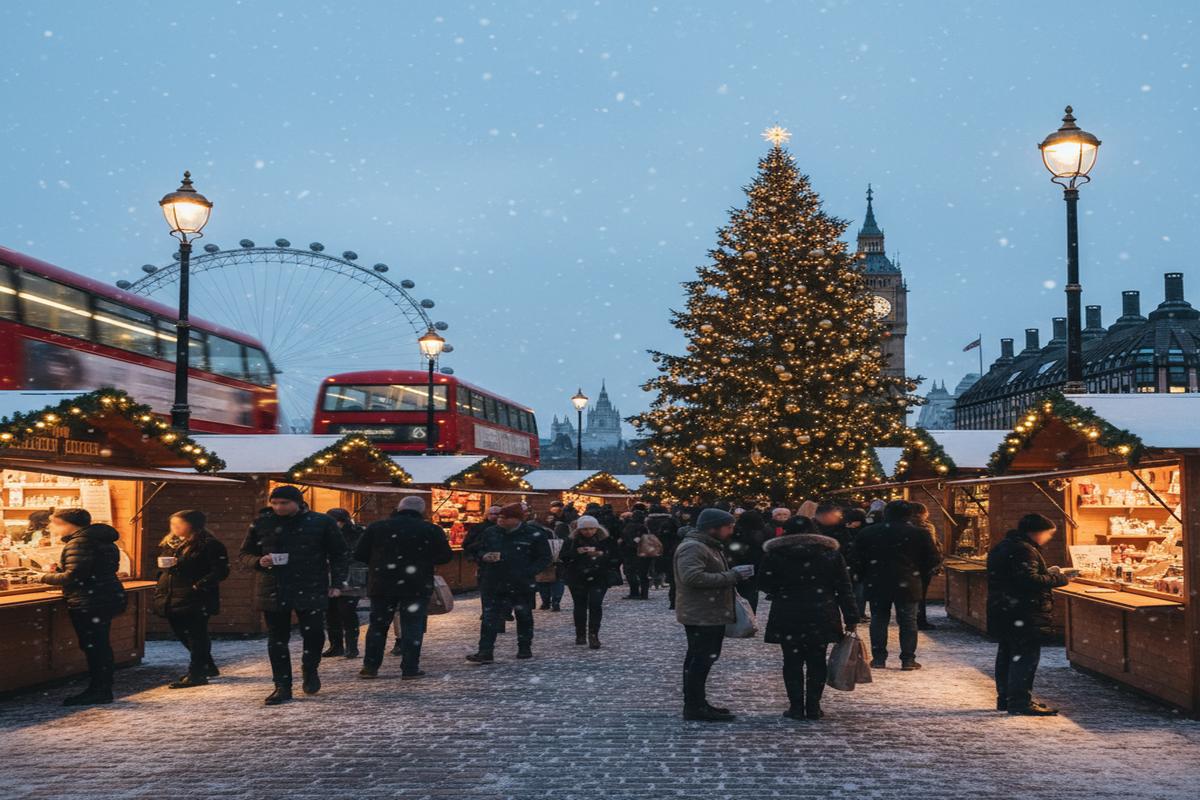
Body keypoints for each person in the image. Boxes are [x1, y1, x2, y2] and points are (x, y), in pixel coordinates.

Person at [239, 485, 349, 705]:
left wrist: (337, 583)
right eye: (275, 503)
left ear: (298, 502)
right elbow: (245, 553)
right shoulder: (262, 523)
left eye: (284, 503)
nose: (279, 507)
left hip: (311, 585)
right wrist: (258, 561)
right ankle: (282, 685)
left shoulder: (320, 522)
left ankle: (310, 669)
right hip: (273, 586)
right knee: (277, 639)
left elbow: (339, 554)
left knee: (314, 634)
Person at [759, 528, 858, 720]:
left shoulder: (776, 554)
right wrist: (851, 617)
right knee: (817, 660)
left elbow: (764, 583)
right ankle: (813, 706)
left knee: (791, 661)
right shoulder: (830, 555)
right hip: (822, 612)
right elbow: (844, 588)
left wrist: (781, 588)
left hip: (787, 611)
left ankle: (795, 707)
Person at [355, 495, 453, 679]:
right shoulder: (431, 529)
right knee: (412, 626)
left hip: (382, 583)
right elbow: (445, 557)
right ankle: (410, 668)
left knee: (378, 626)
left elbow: (360, 554)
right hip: (416, 583)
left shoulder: (377, 527)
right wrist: (423, 560)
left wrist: (380, 562)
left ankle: (370, 667)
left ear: (399, 508)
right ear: (422, 511)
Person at [36, 508, 127, 706]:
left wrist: (43, 577)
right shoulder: (102, 539)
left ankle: (99, 690)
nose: (50, 527)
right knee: (99, 644)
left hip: (90, 600)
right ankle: (102, 687)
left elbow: (74, 576)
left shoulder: (80, 542)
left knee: (94, 646)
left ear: (67, 525)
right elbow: (91, 569)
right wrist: (61, 570)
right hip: (106, 596)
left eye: (53, 523)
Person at [987, 513, 1069, 716]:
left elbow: (1016, 577)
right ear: (1036, 532)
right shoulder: (1024, 550)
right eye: (1048, 534)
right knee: (1025, 657)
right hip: (1024, 612)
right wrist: (1058, 578)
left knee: (1007, 654)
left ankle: (1006, 698)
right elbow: (1028, 580)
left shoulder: (1004, 546)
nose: (1048, 538)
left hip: (1004, 610)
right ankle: (1020, 701)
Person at [674, 508, 751, 722]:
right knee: (700, 660)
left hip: (708, 612)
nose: (731, 531)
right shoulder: (694, 547)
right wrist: (732, 575)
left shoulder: (708, 545)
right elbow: (693, 578)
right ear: (713, 528)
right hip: (701, 614)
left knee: (701, 659)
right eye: (728, 526)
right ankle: (694, 706)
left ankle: (698, 702)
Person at [851, 499, 941, 671]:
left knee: (879, 620)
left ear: (886, 514)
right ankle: (908, 658)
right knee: (908, 621)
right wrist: (918, 572)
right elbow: (933, 558)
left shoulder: (868, 532)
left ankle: (878, 658)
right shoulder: (919, 534)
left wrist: (865, 575)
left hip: (877, 582)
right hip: (908, 582)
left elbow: (856, 558)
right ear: (909, 515)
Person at [465, 503, 552, 664]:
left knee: (524, 615)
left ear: (517, 519)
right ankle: (485, 651)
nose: (500, 520)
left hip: (521, 583)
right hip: (493, 580)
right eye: (499, 517)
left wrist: (528, 571)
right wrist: (484, 556)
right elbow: (476, 550)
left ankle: (524, 647)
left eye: (504, 517)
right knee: (490, 617)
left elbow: (545, 557)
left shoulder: (533, 534)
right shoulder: (491, 532)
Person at [153, 509, 230, 688]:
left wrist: (200, 584)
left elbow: (221, 570)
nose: (175, 527)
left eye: (179, 524)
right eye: (173, 524)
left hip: (196, 596)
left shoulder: (209, 544)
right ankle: (206, 666)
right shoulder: (170, 543)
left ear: (193, 525)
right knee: (183, 633)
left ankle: (197, 673)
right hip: (172, 595)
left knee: (196, 635)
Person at [558, 515, 620, 648]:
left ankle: (594, 635)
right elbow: (563, 557)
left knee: (595, 604)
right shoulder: (571, 541)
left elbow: (616, 556)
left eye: (591, 528)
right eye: (585, 529)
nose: (588, 532)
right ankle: (580, 633)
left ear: (596, 528)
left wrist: (601, 554)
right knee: (580, 605)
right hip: (577, 577)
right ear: (579, 529)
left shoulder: (605, 540)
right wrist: (577, 552)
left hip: (599, 576)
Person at [322, 508, 366, 658]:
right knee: (331, 612)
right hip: (332, 576)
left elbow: (358, 555)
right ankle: (337, 646)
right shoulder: (327, 534)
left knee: (346, 611)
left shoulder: (356, 533)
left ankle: (350, 647)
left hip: (350, 577)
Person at [907, 501, 945, 631]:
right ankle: (919, 620)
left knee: (910, 595)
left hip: (906, 566)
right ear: (922, 513)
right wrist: (935, 563)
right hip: (923, 566)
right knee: (920, 595)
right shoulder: (926, 527)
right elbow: (933, 548)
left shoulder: (905, 525)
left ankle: (910, 619)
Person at [728, 509, 768, 613]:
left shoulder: (736, 532)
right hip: (755, 567)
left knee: (738, 595)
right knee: (751, 596)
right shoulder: (762, 532)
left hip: (737, 566)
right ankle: (750, 616)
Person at [645, 504, 680, 607]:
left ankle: (655, 582)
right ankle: (671, 597)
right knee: (672, 573)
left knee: (653, 565)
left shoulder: (648, 521)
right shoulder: (671, 521)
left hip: (653, 546)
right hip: (669, 549)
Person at [534, 512, 567, 611]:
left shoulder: (539, 530)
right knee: (546, 581)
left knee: (549, 581)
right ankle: (550, 602)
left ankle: (551, 602)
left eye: (551, 518)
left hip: (552, 558)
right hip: (553, 558)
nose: (549, 520)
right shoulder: (557, 528)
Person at [619, 507, 653, 599]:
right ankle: (644, 593)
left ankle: (634, 592)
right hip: (643, 552)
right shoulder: (645, 526)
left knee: (631, 573)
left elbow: (626, 539)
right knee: (643, 574)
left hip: (631, 553)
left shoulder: (629, 526)